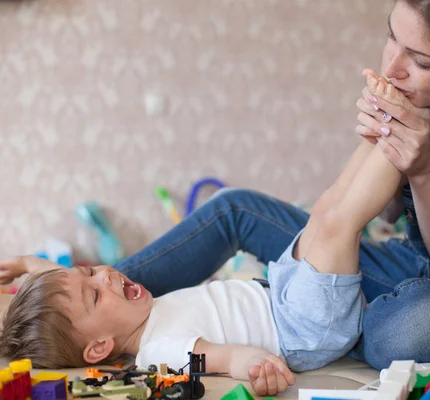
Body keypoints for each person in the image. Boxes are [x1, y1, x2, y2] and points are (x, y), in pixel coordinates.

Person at [2, 0, 430, 372]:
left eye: (418, 60)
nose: (392, 67)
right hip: (403, 265)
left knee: (410, 332)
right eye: (392, 36)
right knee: (236, 209)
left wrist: (421, 170)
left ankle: (327, 316)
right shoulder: (426, 96)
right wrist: (374, 151)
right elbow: (372, 206)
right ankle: (76, 307)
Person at [0, 75, 409, 397]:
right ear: (99, 349)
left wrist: (30, 266)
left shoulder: (138, 314)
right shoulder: (159, 352)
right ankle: (407, 128)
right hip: (301, 329)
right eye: (94, 293)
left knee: (324, 212)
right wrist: (257, 366)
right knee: (339, 223)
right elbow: (223, 358)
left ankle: (380, 127)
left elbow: (70, 295)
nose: (104, 276)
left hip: (285, 295)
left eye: (90, 272)